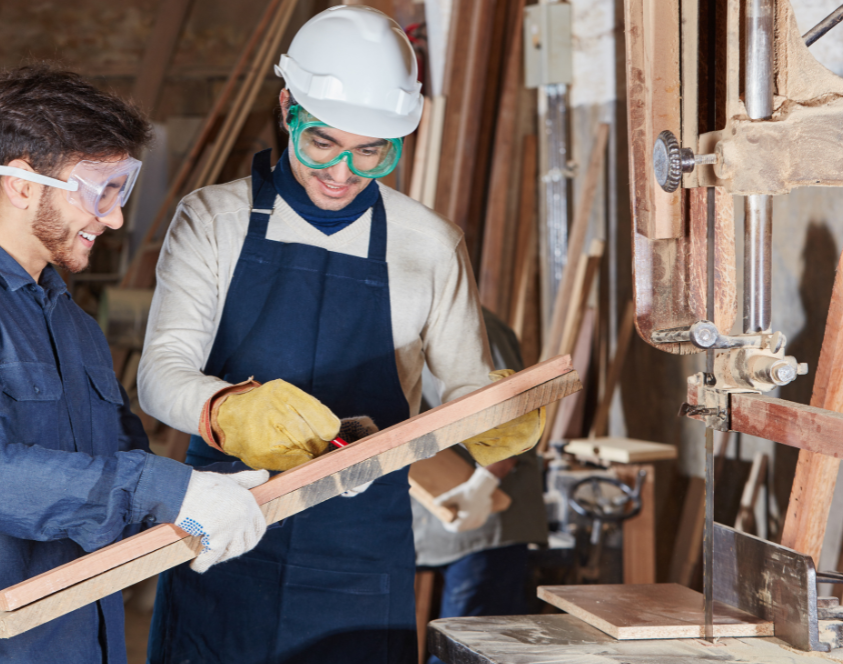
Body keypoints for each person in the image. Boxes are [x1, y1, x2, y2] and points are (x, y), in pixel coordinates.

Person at [138, 7, 544, 662]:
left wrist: (497, 416)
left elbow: (469, 383)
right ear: (286, 108)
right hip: (227, 525)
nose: (341, 171)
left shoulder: (429, 244)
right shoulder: (213, 219)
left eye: (370, 151)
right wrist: (228, 410)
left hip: (359, 546)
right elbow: (159, 373)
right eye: (320, 143)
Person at [0, 65, 268, 664]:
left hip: (87, 642)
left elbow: (114, 478)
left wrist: (196, 502)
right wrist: (165, 487)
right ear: (23, 183)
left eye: (120, 189)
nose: (112, 217)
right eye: (97, 190)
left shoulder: (72, 322)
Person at [415, 309, 552, 664]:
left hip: (489, 510)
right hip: (439, 508)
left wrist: (484, 482)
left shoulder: (473, 325)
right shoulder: (406, 324)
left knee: (468, 648)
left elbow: (511, 412)